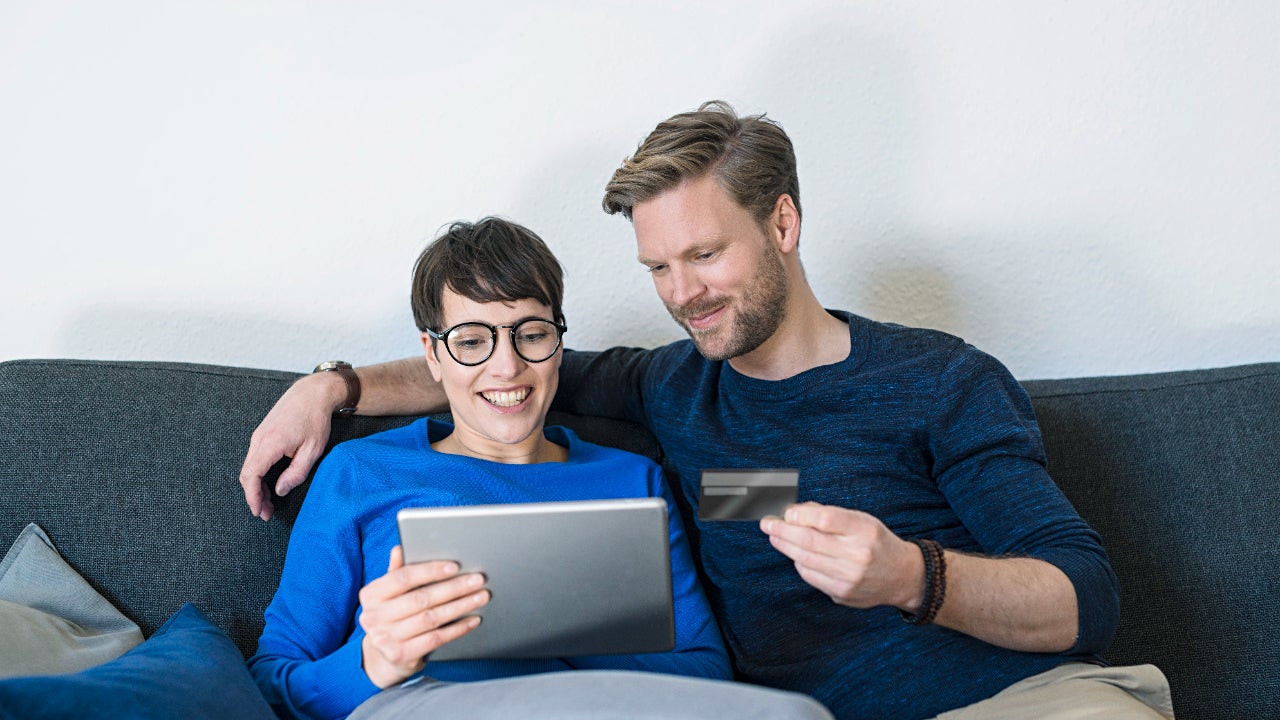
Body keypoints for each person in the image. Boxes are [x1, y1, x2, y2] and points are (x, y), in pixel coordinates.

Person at [240, 103, 1174, 720]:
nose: (682, 294)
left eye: (704, 254)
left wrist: (910, 575)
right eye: (656, 269)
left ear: (782, 224)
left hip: (1010, 700)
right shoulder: (670, 390)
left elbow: (1086, 598)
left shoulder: (940, 380)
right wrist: (336, 385)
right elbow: (491, 368)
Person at [246, 217, 833, 720]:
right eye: (472, 341)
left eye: (531, 334)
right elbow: (272, 680)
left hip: (606, 707)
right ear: (432, 354)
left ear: (558, 343)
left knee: (798, 714)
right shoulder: (361, 472)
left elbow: (704, 672)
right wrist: (375, 661)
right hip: (426, 703)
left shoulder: (634, 479)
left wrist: (562, 632)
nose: (507, 367)